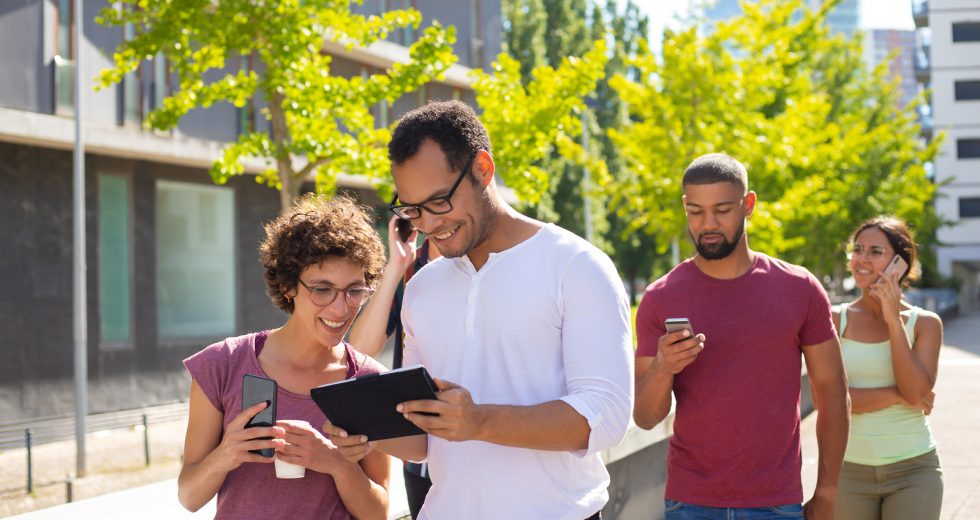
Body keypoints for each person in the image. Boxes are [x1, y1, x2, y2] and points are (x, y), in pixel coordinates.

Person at [328, 100, 634, 520]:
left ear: (483, 169)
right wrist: (368, 435)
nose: (428, 224)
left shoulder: (576, 266)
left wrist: (480, 422)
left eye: (438, 202)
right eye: (412, 209)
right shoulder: (421, 288)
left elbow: (607, 415)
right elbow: (423, 441)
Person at [632, 153, 850, 519]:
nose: (708, 224)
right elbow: (645, 416)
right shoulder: (660, 297)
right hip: (690, 502)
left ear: (748, 205)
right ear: (685, 207)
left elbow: (832, 392)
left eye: (722, 210)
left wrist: (827, 490)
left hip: (776, 502)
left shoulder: (799, 288)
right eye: (696, 212)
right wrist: (663, 366)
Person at [178, 194, 392, 520]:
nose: (340, 307)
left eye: (354, 290)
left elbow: (377, 514)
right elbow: (189, 497)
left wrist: (335, 463)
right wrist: (227, 453)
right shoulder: (222, 364)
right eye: (322, 289)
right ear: (288, 285)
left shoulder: (367, 381)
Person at [834, 216, 944, 519]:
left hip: (914, 469)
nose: (861, 258)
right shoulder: (834, 320)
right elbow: (829, 400)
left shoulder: (925, 324)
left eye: (875, 251)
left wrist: (893, 319)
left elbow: (916, 391)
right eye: (858, 249)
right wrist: (898, 396)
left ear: (900, 263)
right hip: (848, 470)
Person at [348, 216, 440, 519]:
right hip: (418, 453)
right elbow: (360, 348)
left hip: (477, 448)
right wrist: (396, 267)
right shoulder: (411, 269)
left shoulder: (482, 264)